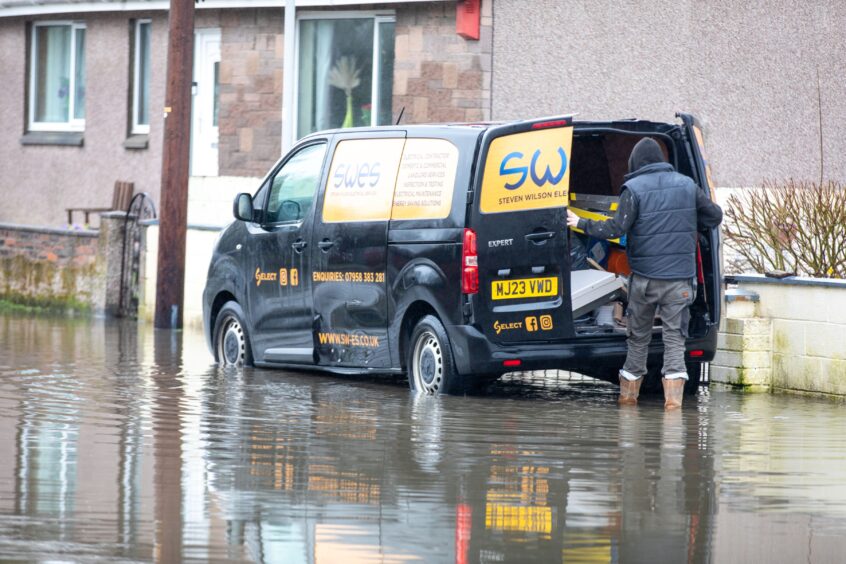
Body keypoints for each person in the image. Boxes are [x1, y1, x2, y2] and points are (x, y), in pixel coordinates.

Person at [566, 138, 723, 409]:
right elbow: (714, 216)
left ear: (636, 163)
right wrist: (686, 221)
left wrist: (580, 222)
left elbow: (616, 228)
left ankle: (628, 403)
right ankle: (673, 410)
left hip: (644, 281)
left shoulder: (633, 189)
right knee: (675, 339)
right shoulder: (687, 185)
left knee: (638, 340)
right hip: (679, 282)